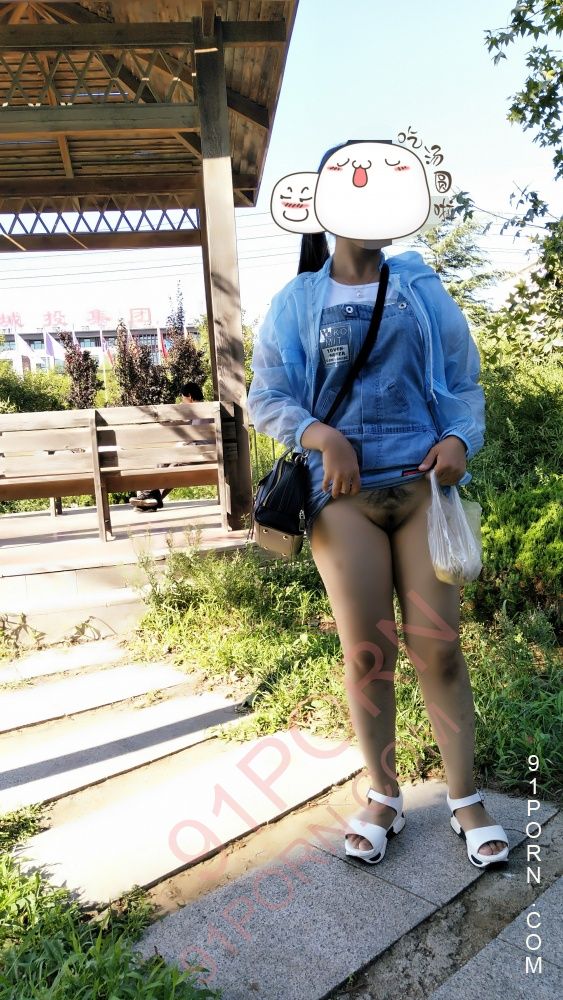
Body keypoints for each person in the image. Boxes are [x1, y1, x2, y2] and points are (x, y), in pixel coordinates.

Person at [247, 140, 509, 869]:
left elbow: (461, 380)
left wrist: (457, 437)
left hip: (424, 491)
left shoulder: (420, 287)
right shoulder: (298, 300)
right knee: (368, 655)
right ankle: (383, 794)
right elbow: (266, 393)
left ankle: (463, 797)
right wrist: (321, 435)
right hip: (342, 501)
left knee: (437, 645)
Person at [130, 381, 205, 511]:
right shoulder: (203, 410)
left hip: (200, 454)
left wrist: (183, 444)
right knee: (164, 462)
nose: (182, 401)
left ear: (190, 396)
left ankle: (150, 496)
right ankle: (151, 498)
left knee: (174, 466)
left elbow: (196, 439)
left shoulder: (200, 411)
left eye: (183, 398)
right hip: (198, 452)